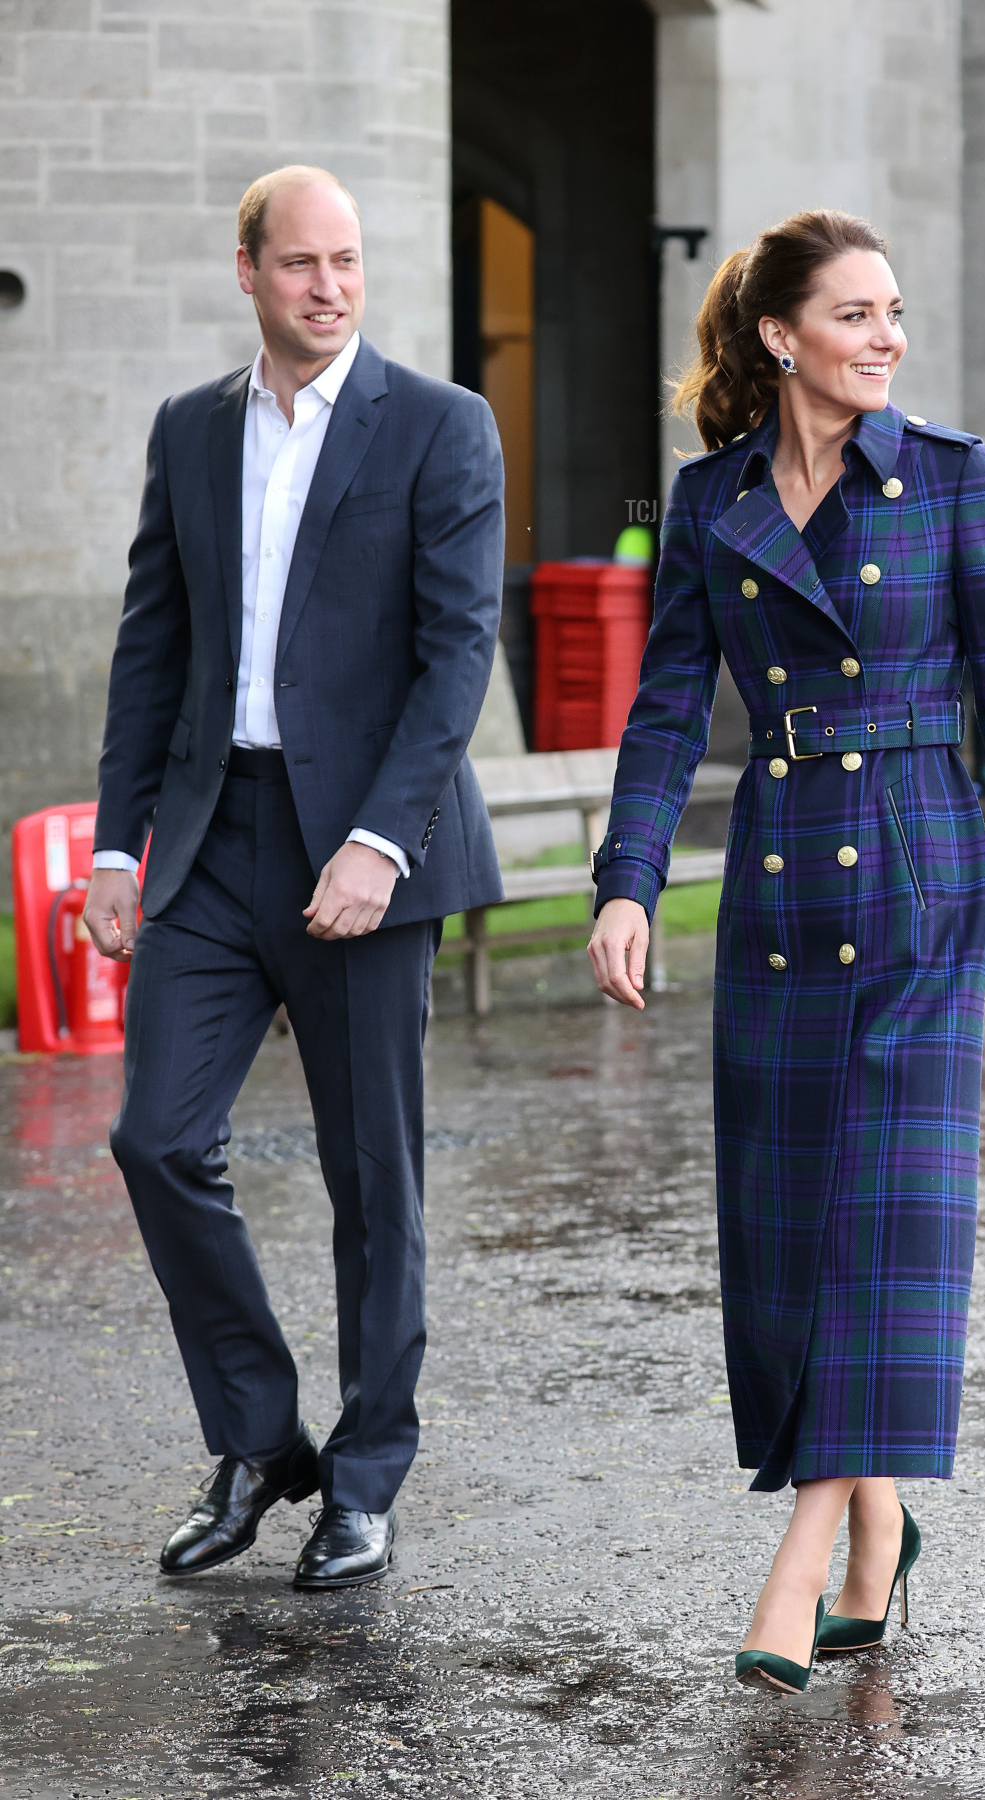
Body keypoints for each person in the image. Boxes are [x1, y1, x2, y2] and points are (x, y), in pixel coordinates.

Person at [588, 209, 985, 1691]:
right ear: (780, 336)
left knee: (888, 1231)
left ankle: (798, 1568)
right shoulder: (710, 503)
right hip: (774, 901)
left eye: (893, 314)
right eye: (858, 316)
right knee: (794, 1240)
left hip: (922, 882)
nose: (887, 337)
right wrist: (630, 881)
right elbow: (669, 709)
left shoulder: (951, 479)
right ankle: (882, 1534)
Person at [83, 166, 505, 1589]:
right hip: (213, 840)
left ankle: (368, 1475)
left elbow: (458, 657)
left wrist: (382, 843)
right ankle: (263, 1438)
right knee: (155, 1138)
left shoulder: (442, 428)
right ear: (249, 270)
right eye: (302, 264)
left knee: (371, 1179)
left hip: (367, 846)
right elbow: (155, 649)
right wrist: (116, 846)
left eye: (349, 261)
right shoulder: (191, 433)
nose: (331, 286)